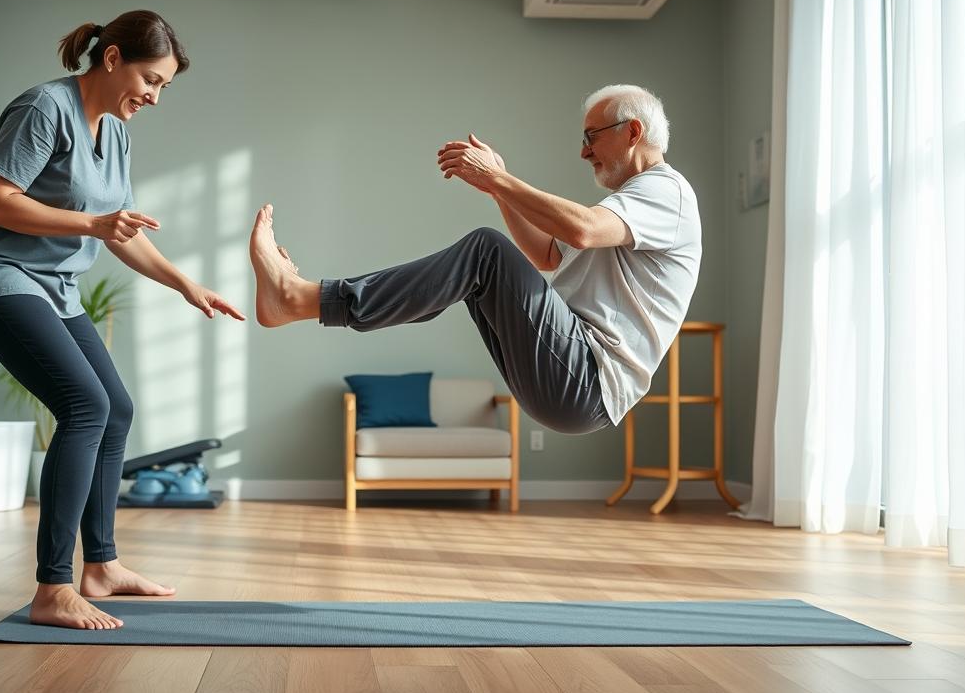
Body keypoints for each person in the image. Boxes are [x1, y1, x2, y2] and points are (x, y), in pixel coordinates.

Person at [0, 10, 244, 631]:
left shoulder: (116, 130)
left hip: (54, 284)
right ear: (112, 60)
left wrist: (188, 285)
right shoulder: (43, 108)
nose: (155, 97)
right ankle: (52, 588)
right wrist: (94, 225)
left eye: (163, 87)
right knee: (84, 406)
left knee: (117, 407)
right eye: (152, 81)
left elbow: (119, 229)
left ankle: (100, 566)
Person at [249, 84, 699, 436]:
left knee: (485, 250)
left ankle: (303, 299)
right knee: (479, 267)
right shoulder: (634, 205)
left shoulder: (666, 192)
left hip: (587, 377)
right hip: (571, 373)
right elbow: (546, 253)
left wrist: (500, 177)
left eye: (590, 137)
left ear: (633, 132)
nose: (583, 152)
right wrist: (495, 190)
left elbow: (580, 227)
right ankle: (305, 300)